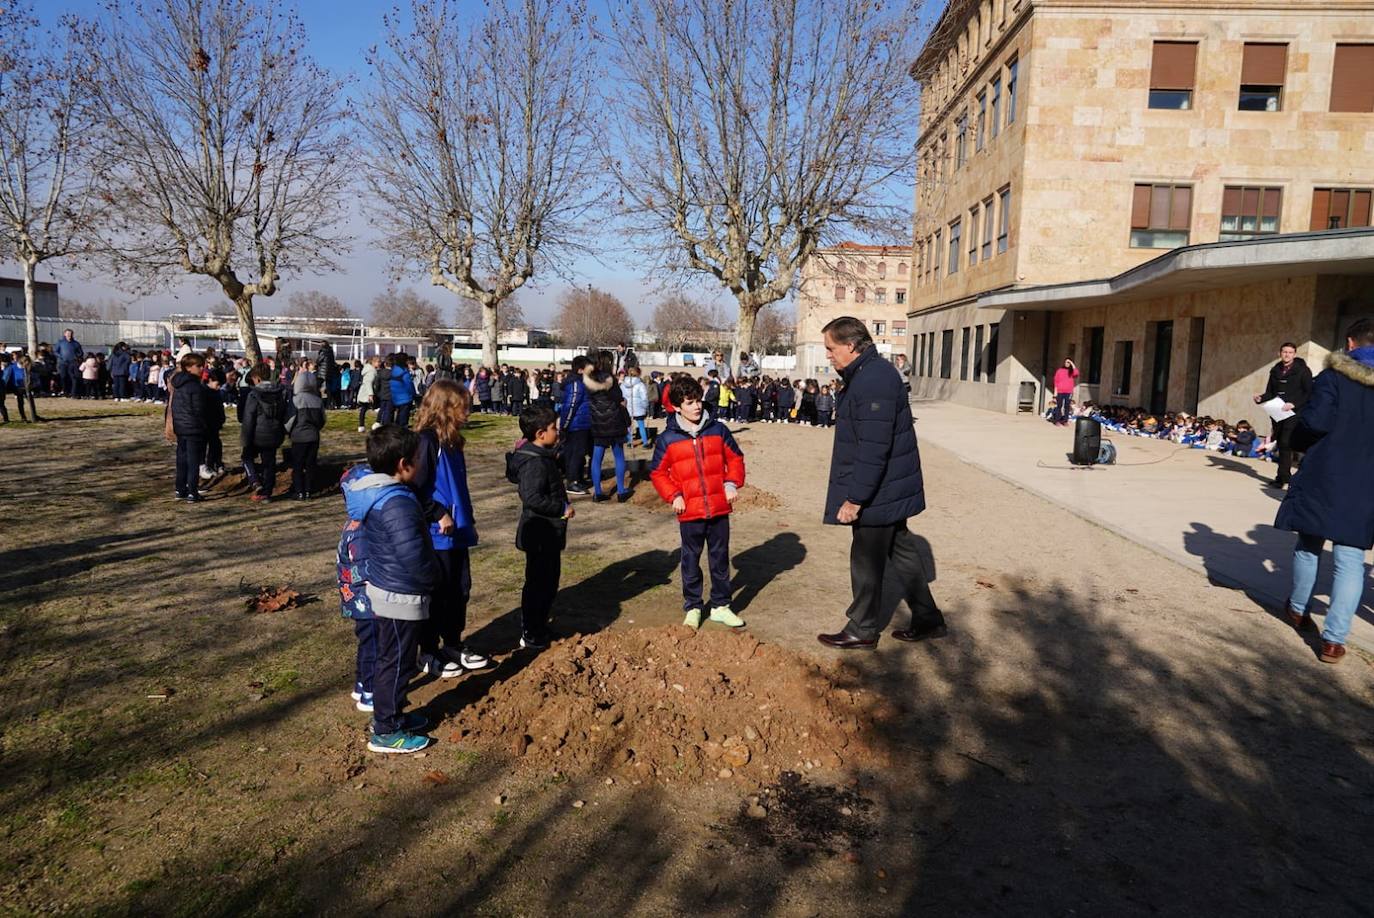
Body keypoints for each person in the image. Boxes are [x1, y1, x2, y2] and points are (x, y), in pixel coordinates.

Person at [816, 317, 946, 650]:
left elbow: (874, 448)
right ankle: (928, 619)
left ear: (850, 345)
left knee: (866, 560)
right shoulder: (868, 373)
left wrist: (856, 499)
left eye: (831, 348)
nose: (828, 355)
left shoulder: (872, 379)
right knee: (901, 554)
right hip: (889, 488)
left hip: (880, 492)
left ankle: (862, 628)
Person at [1274, 318, 1374, 665]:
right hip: (1366, 480)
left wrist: (1294, 442)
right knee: (1351, 560)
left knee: (1309, 544)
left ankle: (1299, 610)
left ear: (1349, 343)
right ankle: (1333, 641)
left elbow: (1314, 422)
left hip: (1325, 471)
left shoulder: (1333, 377)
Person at [355, 425, 440, 753]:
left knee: (396, 657)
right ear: (403, 464)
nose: (422, 463)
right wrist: (432, 575)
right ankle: (386, 730)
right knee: (397, 661)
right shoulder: (398, 504)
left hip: (391, 590)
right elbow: (411, 553)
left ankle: (393, 715)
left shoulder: (385, 494)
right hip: (399, 595)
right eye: (418, 459)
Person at [650, 376, 747, 629]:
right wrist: (674, 495)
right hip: (689, 511)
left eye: (698, 401)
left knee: (720, 559)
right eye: (690, 403)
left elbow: (735, 459)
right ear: (677, 407)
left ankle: (720, 606)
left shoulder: (718, 430)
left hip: (718, 508)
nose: (697, 407)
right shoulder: (667, 439)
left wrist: (730, 484)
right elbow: (658, 473)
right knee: (691, 560)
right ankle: (693, 606)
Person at [411, 379, 491, 678]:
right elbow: (414, 489)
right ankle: (428, 651)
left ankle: (453, 643)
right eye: (463, 407)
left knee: (460, 590)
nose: (468, 412)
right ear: (445, 408)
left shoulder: (453, 442)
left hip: (457, 532)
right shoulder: (426, 442)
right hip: (437, 534)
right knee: (437, 593)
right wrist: (439, 512)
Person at [508, 405, 574, 649]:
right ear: (539, 434)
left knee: (548, 581)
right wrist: (561, 509)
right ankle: (531, 631)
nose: (557, 432)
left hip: (549, 533)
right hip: (540, 533)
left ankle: (539, 625)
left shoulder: (544, 455)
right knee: (539, 584)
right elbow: (532, 497)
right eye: (553, 428)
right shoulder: (534, 463)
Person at [1254, 342, 1314, 490]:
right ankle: (1281, 478)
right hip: (1277, 413)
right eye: (1284, 352)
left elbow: (1308, 392)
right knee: (1281, 444)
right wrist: (1260, 398)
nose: (1287, 354)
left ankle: (1287, 478)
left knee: (1286, 443)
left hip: (1294, 412)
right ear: (1279, 353)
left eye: (1290, 352)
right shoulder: (1275, 370)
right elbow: (1270, 392)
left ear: (1294, 354)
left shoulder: (1303, 371)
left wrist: (1294, 404)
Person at [164, 353, 214, 502]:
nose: (201, 369)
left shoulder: (177, 385)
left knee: (182, 459)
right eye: (198, 366)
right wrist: (204, 425)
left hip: (181, 426)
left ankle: (180, 489)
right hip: (193, 427)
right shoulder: (195, 386)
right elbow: (199, 409)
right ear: (188, 367)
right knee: (193, 461)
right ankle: (192, 491)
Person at [585, 350, 632, 502]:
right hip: (614, 422)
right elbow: (618, 398)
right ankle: (620, 490)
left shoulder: (589, 380)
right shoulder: (610, 379)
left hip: (598, 423)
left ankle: (597, 492)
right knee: (619, 455)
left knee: (597, 458)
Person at [240, 362, 288, 502]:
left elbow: (249, 418)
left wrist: (245, 438)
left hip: (257, 433)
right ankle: (267, 492)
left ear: (257, 378)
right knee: (269, 462)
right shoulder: (280, 392)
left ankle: (255, 481)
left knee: (247, 457)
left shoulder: (254, 395)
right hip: (275, 433)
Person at [286, 371, 326, 500]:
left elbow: (290, 420)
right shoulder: (318, 400)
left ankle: (299, 492)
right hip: (314, 436)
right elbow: (323, 419)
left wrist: (288, 432)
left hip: (298, 437)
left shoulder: (295, 400)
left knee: (297, 465)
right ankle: (309, 491)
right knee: (310, 464)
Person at [558, 356, 593, 494]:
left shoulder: (582, 382)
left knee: (580, 453)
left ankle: (578, 477)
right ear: (580, 370)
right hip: (576, 424)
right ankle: (572, 481)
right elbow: (571, 405)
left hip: (583, 423)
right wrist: (565, 425)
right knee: (574, 453)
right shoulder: (576, 384)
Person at [622, 366, 651, 448]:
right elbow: (644, 397)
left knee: (629, 425)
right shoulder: (640, 385)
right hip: (639, 407)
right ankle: (645, 443)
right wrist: (646, 407)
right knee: (641, 425)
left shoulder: (623, 384)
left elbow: (621, 395)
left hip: (627, 407)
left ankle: (629, 441)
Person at [54, 329, 83, 398]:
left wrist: (77, 357)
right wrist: (61, 356)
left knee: (72, 377)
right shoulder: (60, 343)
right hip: (63, 363)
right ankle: (64, 391)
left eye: (70, 333)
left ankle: (72, 392)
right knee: (63, 377)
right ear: (64, 334)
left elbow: (81, 352)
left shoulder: (76, 343)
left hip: (73, 363)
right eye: (68, 333)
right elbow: (55, 351)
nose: (69, 335)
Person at [1051, 358, 1078, 426]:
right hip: (1060, 391)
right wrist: (1055, 392)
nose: (1067, 363)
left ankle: (1065, 421)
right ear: (1064, 363)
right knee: (1059, 406)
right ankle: (1057, 420)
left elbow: (1077, 373)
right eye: (1066, 362)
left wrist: (1072, 363)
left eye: (1068, 362)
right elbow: (1056, 381)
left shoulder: (1071, 372)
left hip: (1069, 392)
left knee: (1067, 406)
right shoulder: (1059, 371)